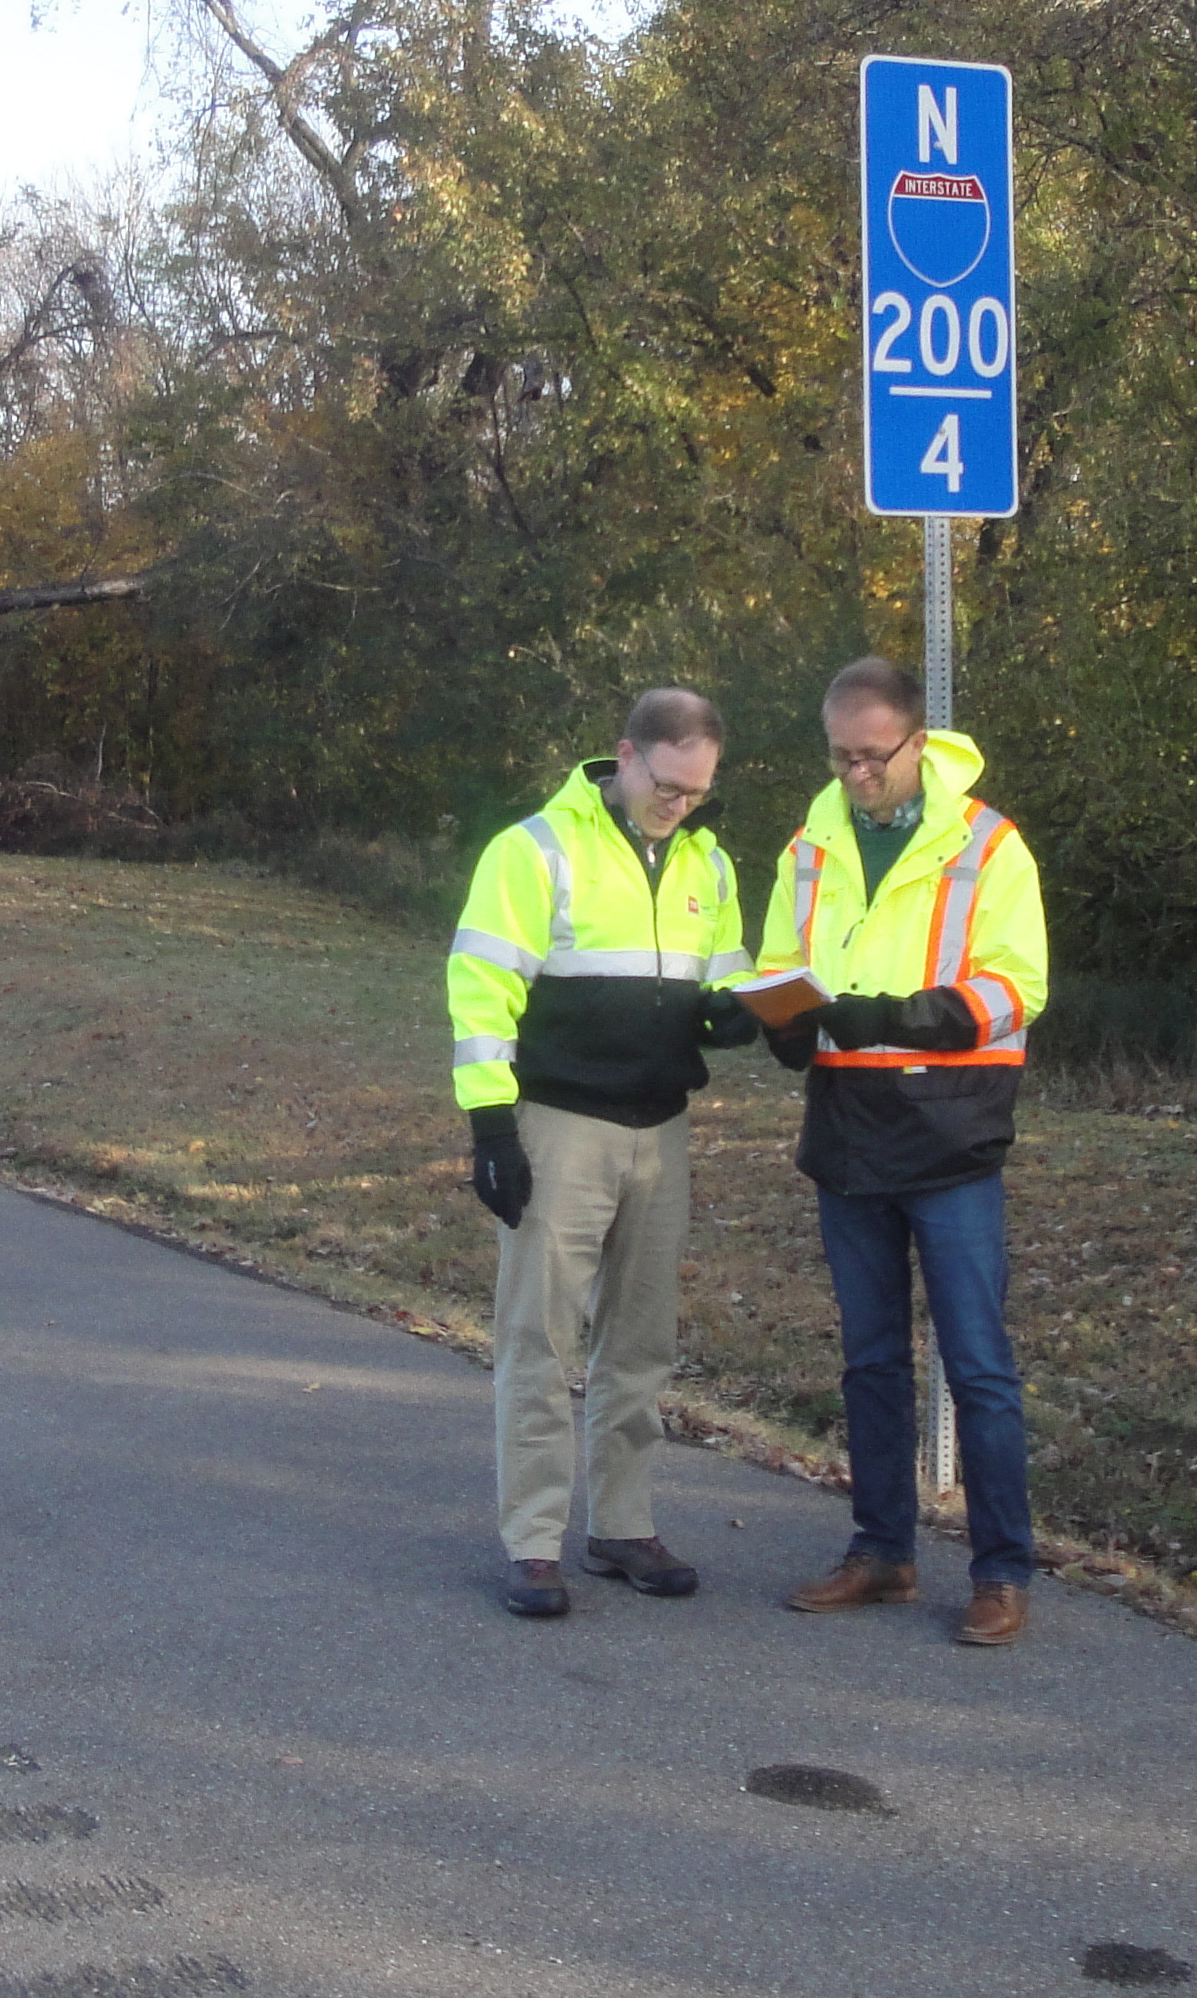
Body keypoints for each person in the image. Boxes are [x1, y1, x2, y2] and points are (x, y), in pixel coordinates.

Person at [447, 688, 758, 1618]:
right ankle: (533, 1542)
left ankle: (623, 1525)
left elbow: (726, 961)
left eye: (698, 794)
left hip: (660, 1124)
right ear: (626, 757)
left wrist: (734, 1005)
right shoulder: (537, 849)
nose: (682, 806)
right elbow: (480, 989)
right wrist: (492, 1126)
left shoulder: (707, 859)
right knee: (540, 1336)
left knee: (641, 1341)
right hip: (561, 1121)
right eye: (669, 787)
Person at [758, 657, 1048, 1645]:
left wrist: (907, 1015)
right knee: (870, 1359)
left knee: (977, 1367)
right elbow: (775, 963)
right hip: (846, 1126)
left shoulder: (987, 844)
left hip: (952, 1126)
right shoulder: (809, 845)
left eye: (872, 757)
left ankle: (1000, 1569)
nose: (855, 776)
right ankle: (880, 1550)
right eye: (840, 757)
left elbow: (1015, 984)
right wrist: (781, 1019)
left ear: (918, 744)